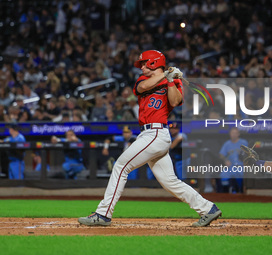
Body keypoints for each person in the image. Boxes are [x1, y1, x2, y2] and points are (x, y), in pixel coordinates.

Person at [78, 50, 222, 227]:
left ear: (154, 63)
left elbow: (176, 101)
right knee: (170, 181)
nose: (142, 67)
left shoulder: (173, 81)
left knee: (121, 166)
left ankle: (103, 213)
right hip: (148, 134)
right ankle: (208, 209)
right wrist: (166, 75)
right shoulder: (143, 80)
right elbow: (143, 88)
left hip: (157, 133)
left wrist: (170, 81)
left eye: (145, 64)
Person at [218, 127, 248, 193]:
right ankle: (226, 194)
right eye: (232, 133)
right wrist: (225, 160)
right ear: (230, 134)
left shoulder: (243, 142)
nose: (234, 135)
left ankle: (240, 191)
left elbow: (248, 155)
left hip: (241, 166)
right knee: (223, 176)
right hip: (231, 167)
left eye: (235, 133)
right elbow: (221, 154)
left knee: (241, 177)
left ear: (238, 134)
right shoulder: (227, 144)